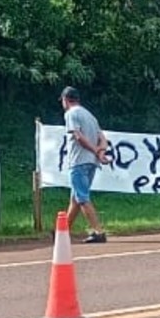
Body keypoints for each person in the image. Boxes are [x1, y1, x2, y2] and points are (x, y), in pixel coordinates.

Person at [59, 84, 109, 242]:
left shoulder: (71, 114)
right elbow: (103, 139)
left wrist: (95, 151)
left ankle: (98, 231)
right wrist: (100, 153)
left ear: (66, 100)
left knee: (82, 198)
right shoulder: (90, 116)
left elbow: (78, 137)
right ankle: (63, 231)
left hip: (78, 160)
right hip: (91, 162)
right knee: (76, 198)